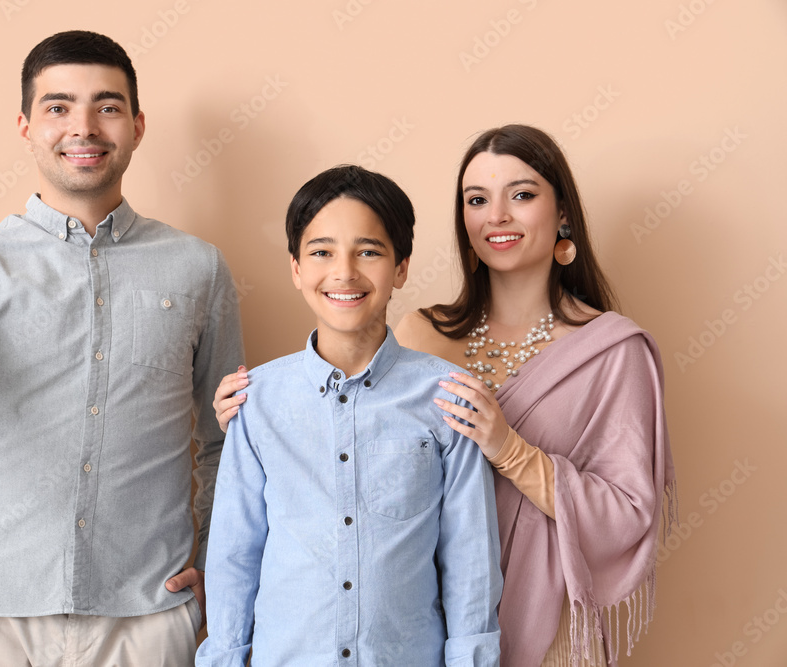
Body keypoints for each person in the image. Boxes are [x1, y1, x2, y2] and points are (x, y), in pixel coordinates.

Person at [214, 126, 676, 667]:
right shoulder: (421, 332)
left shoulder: (610, 351)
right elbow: (342, 406)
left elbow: (625, 514)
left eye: (522, 195)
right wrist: (256, 412)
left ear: (563, 214)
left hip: (539, 621)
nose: (496, 216)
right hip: (411, 631)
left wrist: (509, 449)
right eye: (477, 200)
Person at [0, 30, 244, 666]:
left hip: (146, 613)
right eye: (58, 106)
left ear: (137, 124)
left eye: (108, 106)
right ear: (25, 125)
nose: (84, 127)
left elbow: (225, 439)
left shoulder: (199, 268)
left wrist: (216, 565)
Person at [197, 165, 502, 666]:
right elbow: (235, 555)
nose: (344, 271)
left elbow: (471, 560)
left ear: (401, 266)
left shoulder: (447, 399)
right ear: (296, 268)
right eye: (321, 252)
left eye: (368, 251)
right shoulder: (257, 403)